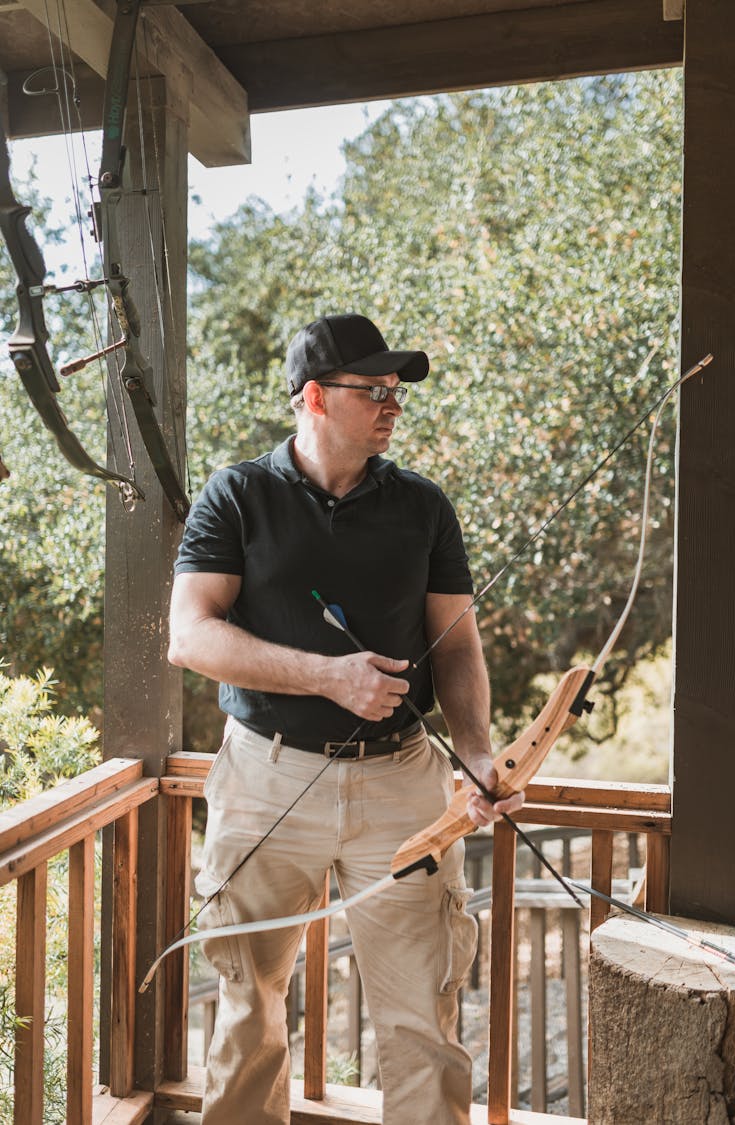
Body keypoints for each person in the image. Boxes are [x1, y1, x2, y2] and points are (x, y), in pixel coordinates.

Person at [168, 313, 524, 1125]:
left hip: (403, 786)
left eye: (397, 390)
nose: (393, 404)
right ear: (316, 397)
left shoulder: (424, 508)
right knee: (248, 1014)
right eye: (375, 389)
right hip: (265, 777)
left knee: (422, 1028)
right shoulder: (238, 496)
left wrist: (475, 751)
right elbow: (189, 636)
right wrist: (330, 676)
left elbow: (459, 646)